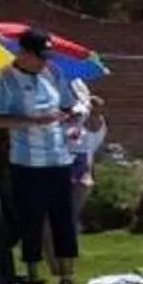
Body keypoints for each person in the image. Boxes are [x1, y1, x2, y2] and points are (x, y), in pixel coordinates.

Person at [0, 29, 79, 284]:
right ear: (24, 54)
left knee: (63, 217)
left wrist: (73, 114)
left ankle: (67, 275)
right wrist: (33, 122)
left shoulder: (53, 72)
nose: (44, 62)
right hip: (27, 162)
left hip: (59, 157)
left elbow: (67, 105)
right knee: (32, 219)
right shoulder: (5, 78)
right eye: (40, 57)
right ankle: (33, 273)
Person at [63, 88, 107, 234]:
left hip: (81, 165)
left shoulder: (95, 123)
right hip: (69, 163)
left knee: (73, 208)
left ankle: (70, 235)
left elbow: (88, 129)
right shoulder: (77, 121)